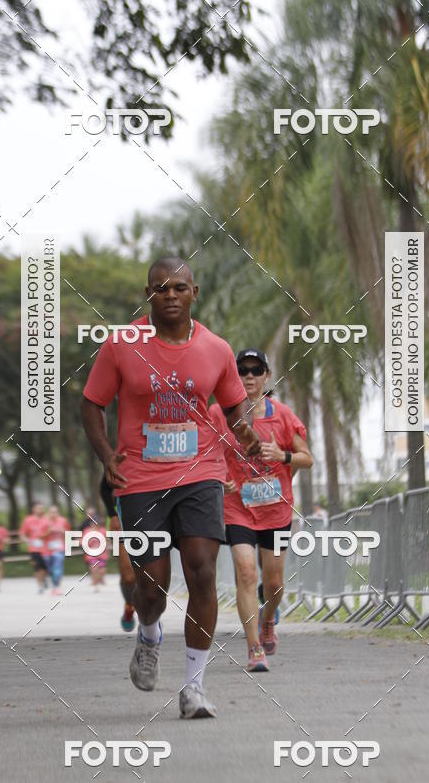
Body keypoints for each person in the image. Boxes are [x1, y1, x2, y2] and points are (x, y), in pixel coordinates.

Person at [81, 257, 260, 719]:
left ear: (193, 292)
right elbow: (91, 404)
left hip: (200, 473)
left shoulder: (217, 349)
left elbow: (235, 405)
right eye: (161, 288)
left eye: (179, 287)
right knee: (153, 588)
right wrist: (106, 456)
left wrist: (246, 432)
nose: (171, 295)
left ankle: (194, 688)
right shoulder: (121, 345)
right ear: (148, 295)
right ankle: (149, 632)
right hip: (140, 478)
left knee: (202, 570)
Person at [209, 348, 312, 671]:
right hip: (236, 508)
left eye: (256, 370)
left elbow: (306, 458)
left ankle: (268, 620)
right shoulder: (217, 414)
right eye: (242, 370)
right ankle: (254, 648)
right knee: (246, 572)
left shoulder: (282, 415)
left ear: (267, 376)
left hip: (276, 513)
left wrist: (282, 456)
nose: (249, 376)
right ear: (233, 376)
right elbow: (204, 453)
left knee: (274, 582)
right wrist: (219, 478)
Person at [99, 474, 137, 631]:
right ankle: (130, 605)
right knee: (128, 577)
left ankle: (151, 620)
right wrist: (112, 514)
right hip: (122, 518)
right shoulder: (124, 456)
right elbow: (104, 487)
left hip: (154, 515)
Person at [19, 502, 49, 592]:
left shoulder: (47, 519)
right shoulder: (28, 520)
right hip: (34, 549)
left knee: (45, 568)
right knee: (37, 567)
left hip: (46, 549)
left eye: (42, 508)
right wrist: (27, 540)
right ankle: (40, 585)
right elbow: (22, 533)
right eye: (39, 508)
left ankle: (44, 580)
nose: (41, 510)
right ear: (34, 509)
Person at [43, 506, 70, 596]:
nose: (53, 514)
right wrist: (48, 532)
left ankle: (57, 587)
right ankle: (54, 586)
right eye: (51, 512)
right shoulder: (44, 521)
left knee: (57, 568)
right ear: (48, 513)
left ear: (58, 513)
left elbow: (68, 533)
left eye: (55, 512)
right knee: (50, 569)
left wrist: (63, 531)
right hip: (47, 549)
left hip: (59, 548)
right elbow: (39, 536)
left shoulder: (63, 521)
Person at [82, 514, 109, 590]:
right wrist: (91, 539)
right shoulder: (87, 531)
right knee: (94, 568)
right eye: (92, 522)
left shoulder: (103, 530)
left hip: (102, 554)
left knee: (102, 570)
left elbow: (107, 541)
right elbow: (83, 543)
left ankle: (100, 579)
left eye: (96, 522)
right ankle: (95, 583)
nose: (94, 524)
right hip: (91, 554)